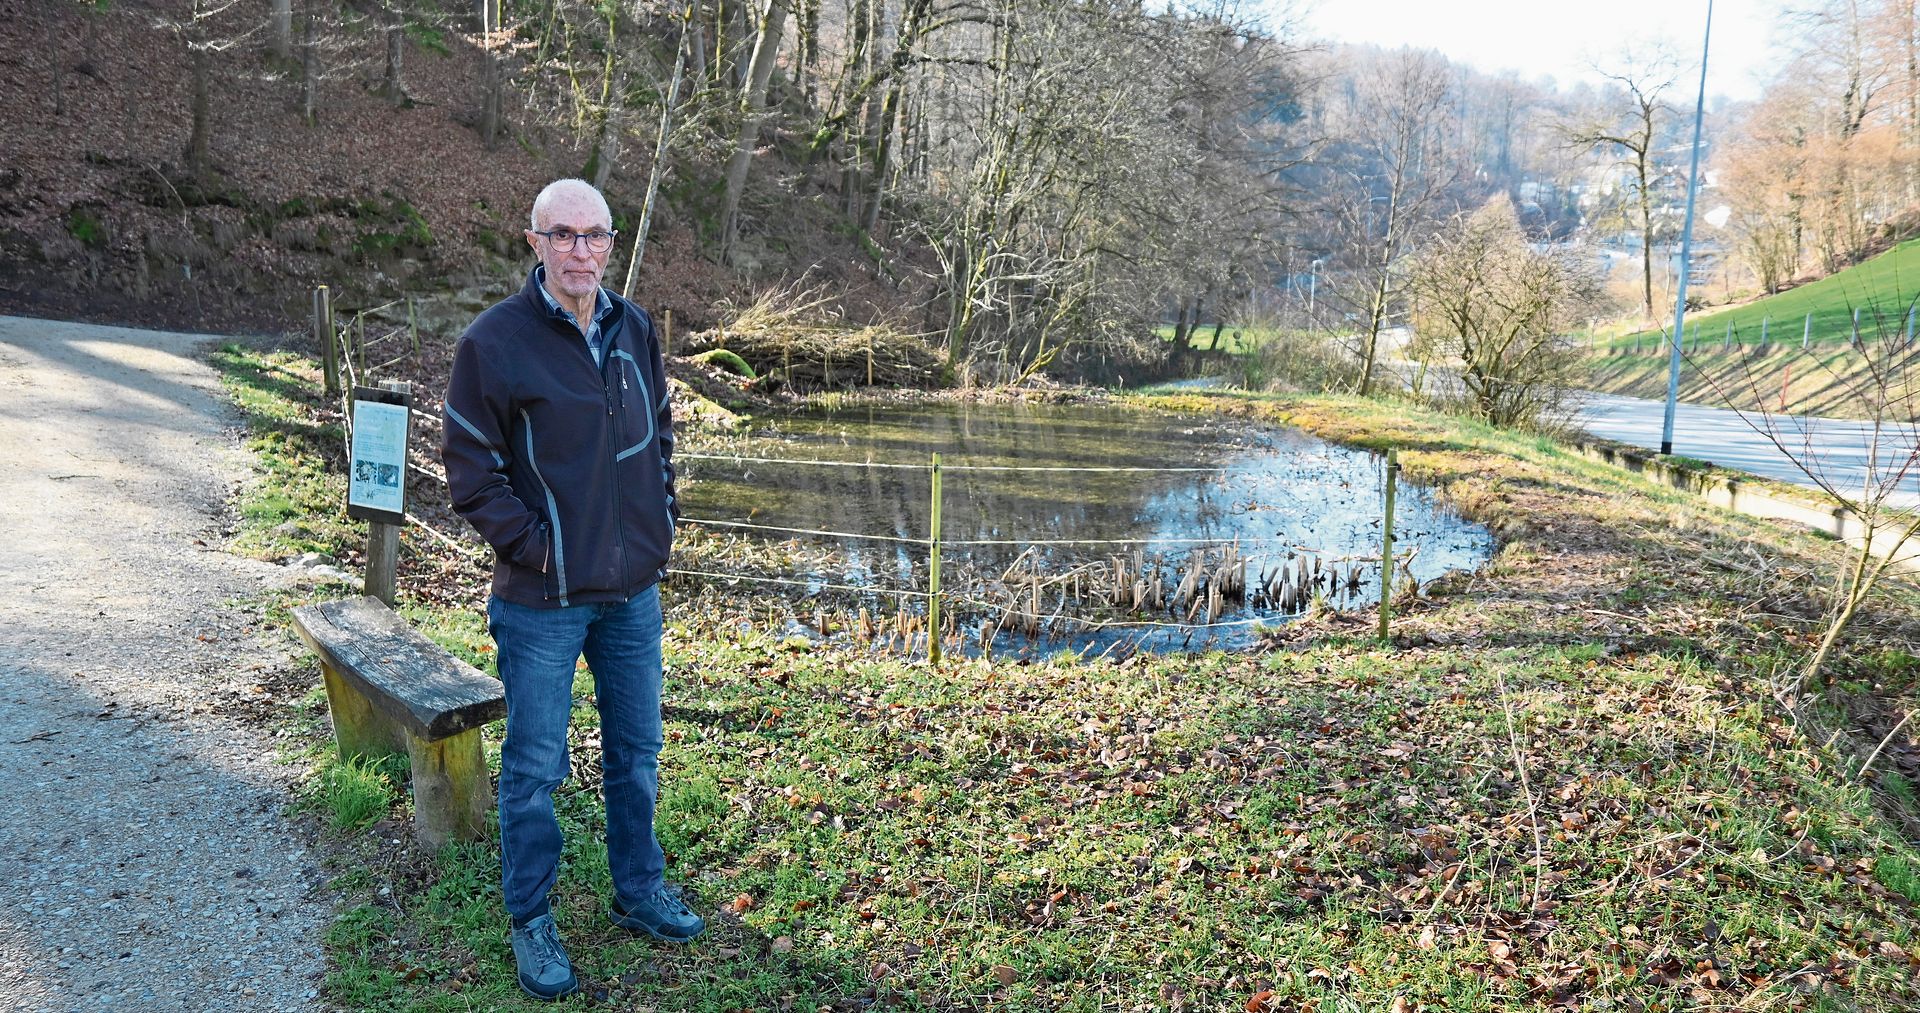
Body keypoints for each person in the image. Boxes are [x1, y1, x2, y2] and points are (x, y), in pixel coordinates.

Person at [442, 178, 702, 1001]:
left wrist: (660, 521)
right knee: (534, 767)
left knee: (637, 753)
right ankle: (532, 919)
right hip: (542, 600)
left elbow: (658, 430)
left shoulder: (636, 329)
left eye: (594, 235)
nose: (581, 251)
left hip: (632, 591)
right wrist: (537, 548)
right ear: (535, 242)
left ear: (611, 242)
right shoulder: (495, 342)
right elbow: (471, 469)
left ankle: (638, 891)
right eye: (564, 235)